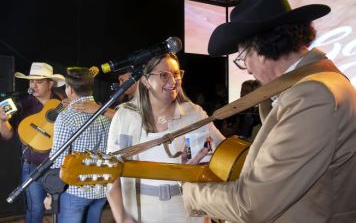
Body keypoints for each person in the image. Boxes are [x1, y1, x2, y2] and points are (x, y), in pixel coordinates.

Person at [182, 0, 356, 223]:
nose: (248, 70)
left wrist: (191, 192)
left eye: (243, 59)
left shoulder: (313, 95)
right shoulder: (320, 84)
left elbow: (253, 205)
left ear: (259, 51)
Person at [106, 53, 225, 223]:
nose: (173, 80)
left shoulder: (194, 113)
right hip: (139, 208)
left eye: (176, 73)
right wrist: (122, 217)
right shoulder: (125, 116)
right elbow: (110, 172)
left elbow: (224, 151)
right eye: (164, 75)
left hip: (187, 207)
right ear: (145, 80)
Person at [0, 62, 65, 223]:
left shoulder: (62, 103)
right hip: (31, 166)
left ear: (50, 84)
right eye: (31, 81)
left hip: (58, 167)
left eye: (39, 81)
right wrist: (1, 121)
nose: (33, 85)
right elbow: (7, 135)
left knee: (61, 208)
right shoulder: (23, 104)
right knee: (35, 209)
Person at [47, 67, 111, 223]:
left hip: (75, 190)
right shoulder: (106, 114)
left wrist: (50, 194)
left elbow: (58, 157)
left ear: (69, 90)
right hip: (102, 188)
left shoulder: (66, 116)